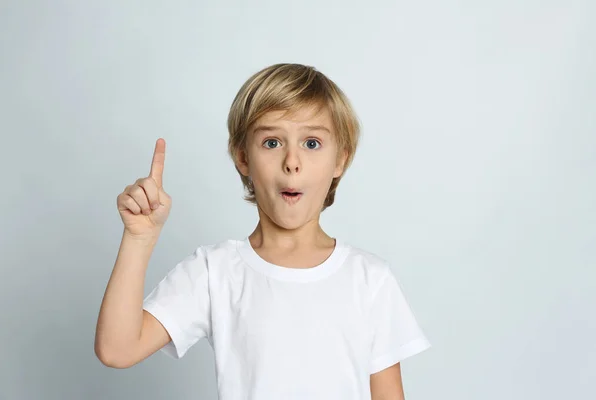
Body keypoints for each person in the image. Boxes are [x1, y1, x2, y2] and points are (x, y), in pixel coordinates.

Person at [94, 63, 431, 399]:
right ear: (243, 157)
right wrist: (139, 238)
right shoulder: (216, 271)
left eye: (312, 143)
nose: (292, 161)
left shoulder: (370, 279)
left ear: (340, 160)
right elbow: (117, 349)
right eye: (272, 142)